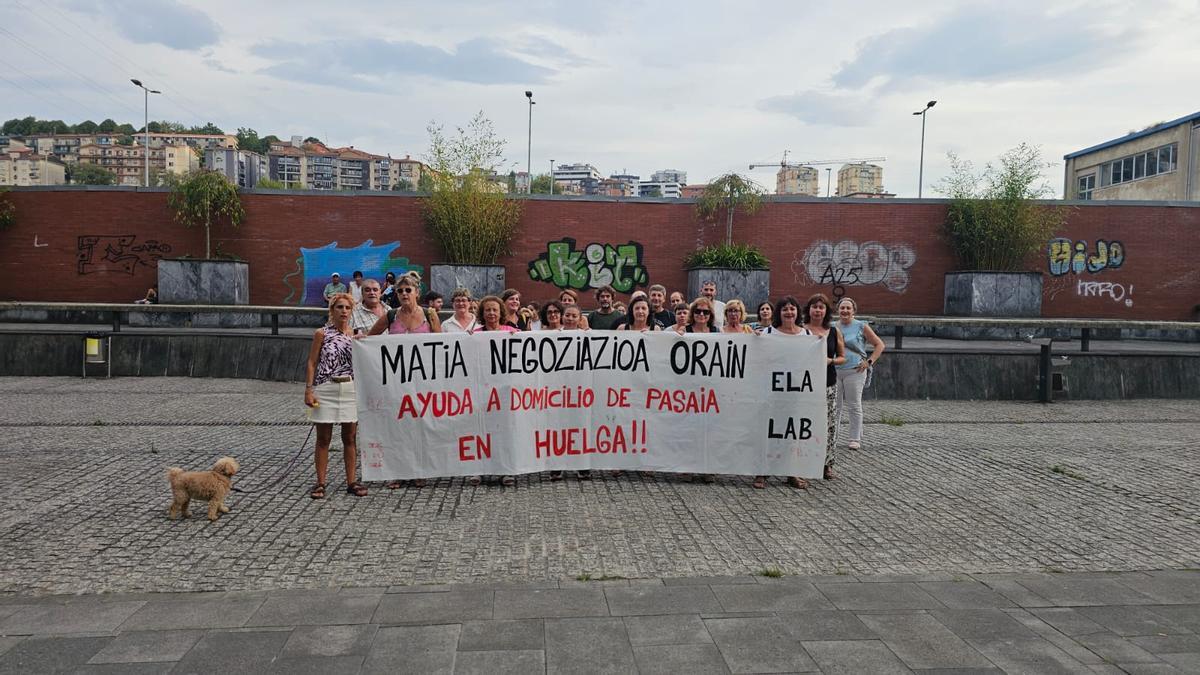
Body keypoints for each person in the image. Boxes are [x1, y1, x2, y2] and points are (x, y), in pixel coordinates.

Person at [303, 293, 365, 499]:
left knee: (350, 437)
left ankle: (351, 481)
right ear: (332, 310)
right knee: (323, 438)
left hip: (349, 388)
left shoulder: (356, 334)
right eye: (339, 307)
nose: (344, 311)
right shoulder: (322, 333)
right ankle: (320, 482)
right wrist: (309, 389)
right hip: (326, 387)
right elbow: (312, 361)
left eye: (347, 308)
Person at [756, 296, 811, 490]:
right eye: (785, 309)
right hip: (771, 391)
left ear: (798, 312)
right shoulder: (769, 332)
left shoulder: (807, 335)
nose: (789, 312)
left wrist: (818, 345)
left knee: (791, 432)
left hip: (795, 392)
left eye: (792, 309)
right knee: (767, 431)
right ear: (779, 313)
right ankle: (762, 471)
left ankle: (791, 471)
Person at [471, 295, 518, 486]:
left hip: (506, 391)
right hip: (483, 390)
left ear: (501, 312)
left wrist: (519, 339)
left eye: (495, 310)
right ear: (482, 313)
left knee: (505, 430)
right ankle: (478, 469)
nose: (491, 313)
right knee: (481, 430)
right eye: (487, 310)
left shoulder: (512, 331)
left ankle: (506, 470)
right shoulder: (475, 334)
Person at [803, 293, 846, 481]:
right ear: (809, 310)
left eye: (821, 307)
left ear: (826, 311)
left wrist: (831, 360)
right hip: (804, 385)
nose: (817, 310)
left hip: (827, 384)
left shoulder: (834, 332)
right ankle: (801, 461)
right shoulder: (801, 330)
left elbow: (843, 357)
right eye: (814, 306)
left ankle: (827, 464)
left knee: (828, 425)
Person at [835, 297, 885, 451]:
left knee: (854, 405)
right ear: (838, 310)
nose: (845, 311)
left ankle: (854, 438)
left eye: (848, 308)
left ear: (853, 311)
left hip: (855, 371)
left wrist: (869, 361)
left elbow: (879, 344)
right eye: (842, 308)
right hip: (835, 370)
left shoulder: (861, 326)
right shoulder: (832, 326)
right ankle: (832, 436)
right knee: (834, 406)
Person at [368, 273, 442, 336]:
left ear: (417, 292)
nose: (404, 293)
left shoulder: (430, 315)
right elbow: (368, 338)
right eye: (400, 291)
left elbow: (440, 342)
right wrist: (360, 338)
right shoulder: (390, 315)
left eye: (408, 290)